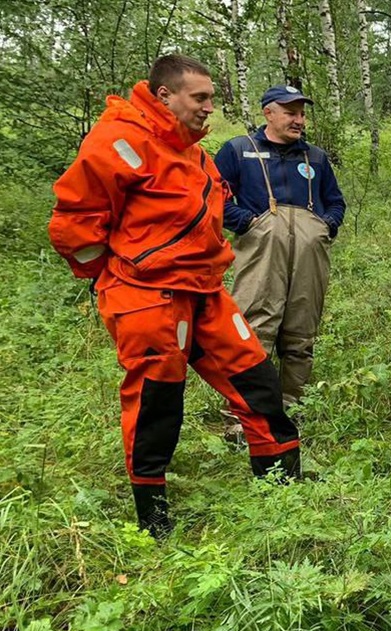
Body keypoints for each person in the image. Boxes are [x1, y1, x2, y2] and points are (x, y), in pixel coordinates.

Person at [48, 55, 303, 538]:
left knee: (258, 382)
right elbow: (74, 224)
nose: (210, 107)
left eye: (211, 98)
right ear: (165, 95)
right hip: (147, 297)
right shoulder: (117, 141)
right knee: (157, 404)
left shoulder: (190, 149)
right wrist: (121, 275)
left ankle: (286, 497)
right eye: (200, 98)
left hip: (205, 291)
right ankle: (155, 524)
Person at [213, 86, 345, 415]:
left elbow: (336, 202)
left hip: (308, 256)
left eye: (301, 113)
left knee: (301, 332)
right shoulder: (237, 150)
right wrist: (247, 223)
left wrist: (323, 227)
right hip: (261, 253)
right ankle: (244, 415)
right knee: (254, 329)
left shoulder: (315, 157)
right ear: (268, 113)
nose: (299, 120)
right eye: (291, 112)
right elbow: (214, 197)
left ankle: (292, 409)